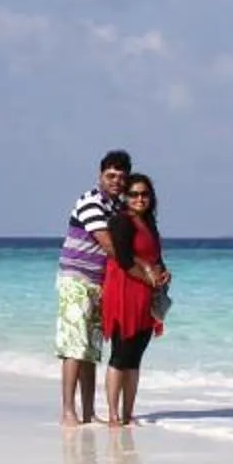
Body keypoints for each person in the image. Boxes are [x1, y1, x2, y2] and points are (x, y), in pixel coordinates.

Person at [56, 149, 130, 425]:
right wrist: (139, 270)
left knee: (90, 350)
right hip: (76, 278)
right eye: (111, 175)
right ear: (100, 176)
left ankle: (88, 412)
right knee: (74, 346)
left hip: (99, 283)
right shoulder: (90, 201)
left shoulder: (118, 208)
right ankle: (68, 411)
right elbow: (109, 245)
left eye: (121, 177)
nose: (116, 181)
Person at [99, 172, 169, 428]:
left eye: (145, 194)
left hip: (145, 296)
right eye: (134, 194)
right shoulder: (120, 222)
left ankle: (129, 414)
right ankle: (113, 415)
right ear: (126, 197)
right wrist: (149, 277)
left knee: (136, 355)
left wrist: (162, 272)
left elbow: (155, 257)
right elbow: (124, 260)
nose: (140, 199)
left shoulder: (149, 223)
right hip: (124, 291)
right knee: (120, 354)